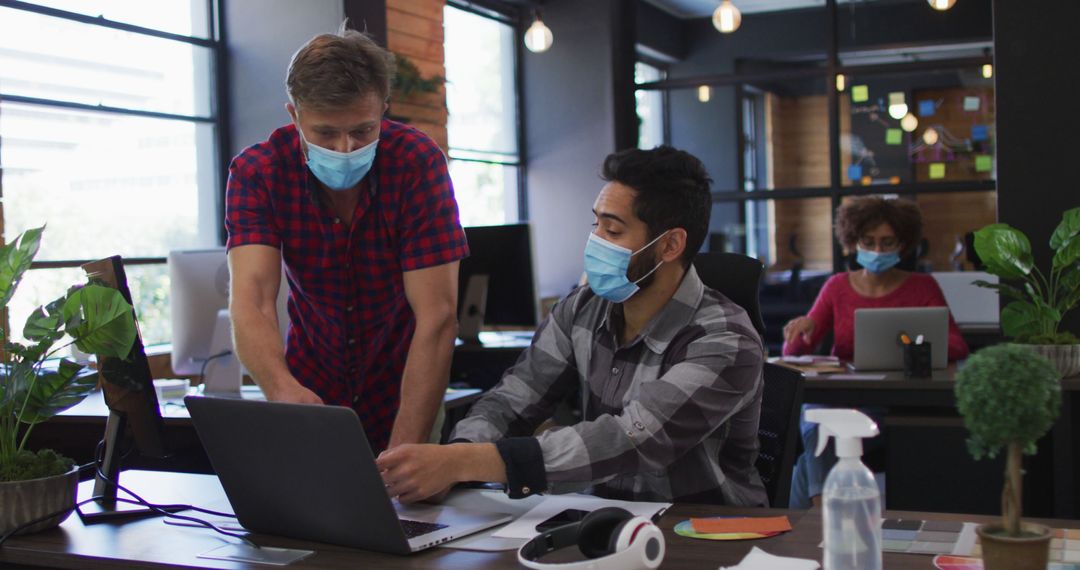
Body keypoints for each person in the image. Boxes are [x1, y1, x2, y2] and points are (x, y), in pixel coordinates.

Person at [376, 146, 767, 507]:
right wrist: (453, 459)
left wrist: (466, 462)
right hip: (603, 524)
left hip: (702, 538)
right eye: (595, 224)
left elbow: (633, 439)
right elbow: (512, 400)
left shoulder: (725, 338)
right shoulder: (582, 309)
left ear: (669, 246)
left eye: (613, 231)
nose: (594, 241)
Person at [224, 27, 468, 454]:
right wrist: (282, 390)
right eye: (324, 133)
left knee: (413, 515)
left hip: (407, 384)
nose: (344, 148)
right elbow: (255, 300)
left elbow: (437, 316)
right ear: (294, 116)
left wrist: (405, 447)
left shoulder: (417, 164)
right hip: (309, 391)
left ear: (383, 109)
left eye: (362, 130)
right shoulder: (258, 173)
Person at [781, 195, 969, 508]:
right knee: (818, 422)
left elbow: (957, 344)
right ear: (854, 242)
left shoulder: (922, 287)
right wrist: (800, 332)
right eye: (869, 242)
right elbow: (797, 351)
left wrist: (911, 346)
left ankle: (816, 519)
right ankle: (824, 512)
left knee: (807, 462)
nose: (877, 251)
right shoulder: (837, 286)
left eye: (887, 242)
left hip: (887, 403)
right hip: (838, 398)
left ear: (903, 244)